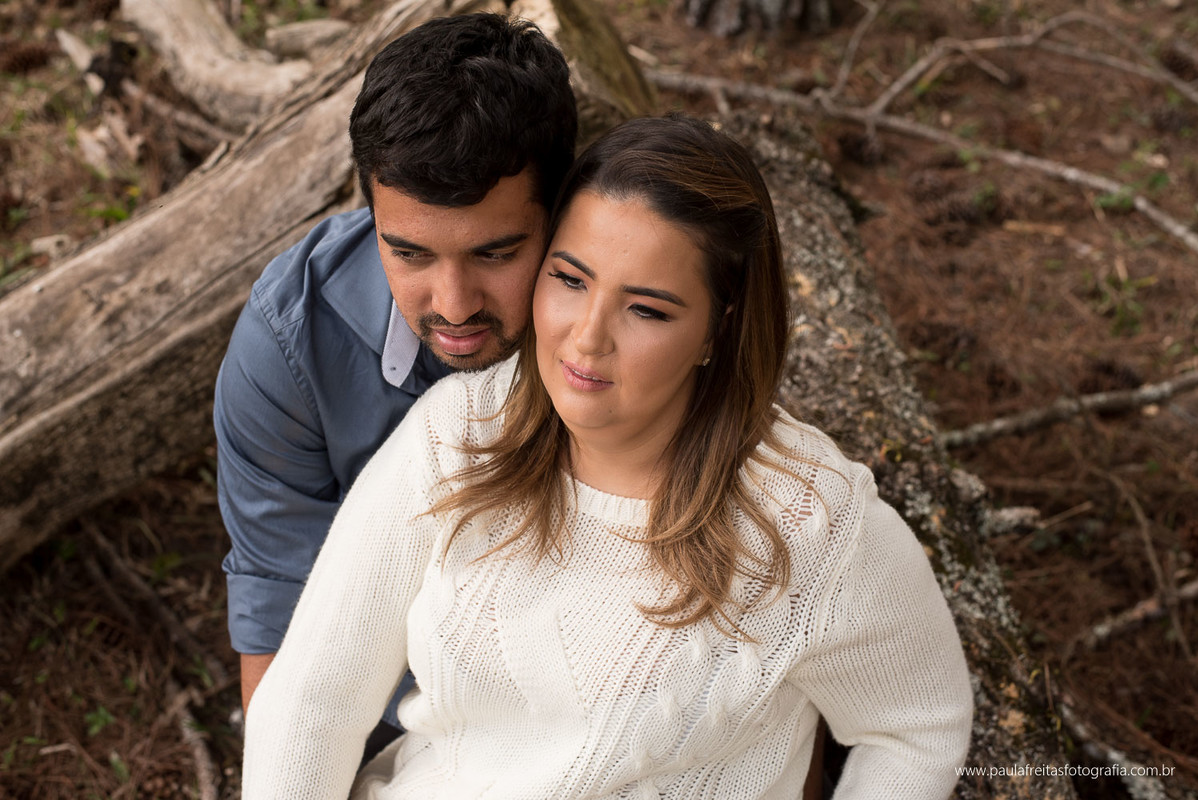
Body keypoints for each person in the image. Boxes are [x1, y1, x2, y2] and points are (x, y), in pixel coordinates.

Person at [242, 114, 974, 798]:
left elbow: (916, 729)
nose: (587, 337)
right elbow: (313, 698)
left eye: (646, 309)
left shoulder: (811, 523)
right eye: (570, 279)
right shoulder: (458, 433)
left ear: (717, 330)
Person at [212, 11, 577, 754]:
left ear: (559, 211)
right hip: (385, 721)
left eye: (495, 253)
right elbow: (281, 604)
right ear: (370, 212)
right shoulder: (290, 344)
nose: (454, 306)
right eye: (409, 253)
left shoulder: (629, 326)